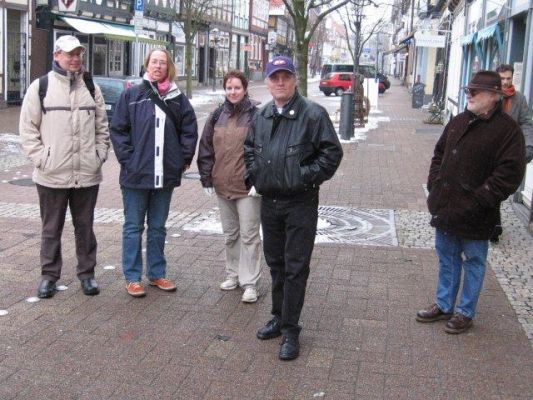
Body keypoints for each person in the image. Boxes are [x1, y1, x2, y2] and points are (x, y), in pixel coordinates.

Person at [244, 56, 343, 360]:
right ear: (268, 82)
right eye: (275, 77)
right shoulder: (260, 116)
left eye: (286, 76)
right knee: (276, 264)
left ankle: (290, 330)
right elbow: (249, 150)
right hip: (270, 202)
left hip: (300, 203)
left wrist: (303, 176)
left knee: (296, 267)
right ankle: (277, 316)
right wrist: (256, 175)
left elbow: (331, 153)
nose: (280, 82)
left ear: (295, 79)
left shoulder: (313, 114)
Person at [416, 71, 526, 334]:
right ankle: (444, 304)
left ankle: (465, 312)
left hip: (478, 212)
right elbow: (439, 153)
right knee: (447, 257)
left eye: (476, 91)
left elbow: (509, 173)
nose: (470, 95)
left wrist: (481, 198)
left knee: (474, 261)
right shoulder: (458, 121)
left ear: (493, 96)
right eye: (469, 90)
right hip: (447, 206)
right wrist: (435, 184)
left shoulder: (508, 131)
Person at [19, 35, 110, 298]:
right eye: (69, 54)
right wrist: (42, 159)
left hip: (86, 173)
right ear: (56, 55)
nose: (75, 58)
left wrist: (99, 154)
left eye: (78, 54)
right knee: (51, 229)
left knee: (85, 228)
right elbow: (27, 130)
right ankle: (49, 276)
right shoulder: (41, 87)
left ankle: (87, 275)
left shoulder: (91, 87)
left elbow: (102, 127)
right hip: (51, 174)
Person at [110, 48, 198, 298]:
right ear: (147, 65)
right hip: (135, 176)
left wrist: (181, 159)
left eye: (162, 62)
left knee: (158, 227)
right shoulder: (131, 95)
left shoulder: (178, 98)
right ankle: (132, 277)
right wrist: (129, 160)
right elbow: (118, 130)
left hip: (164, 175)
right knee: (133, 226)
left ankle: (157, 273)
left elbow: (189, 131)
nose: (158, 66)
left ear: (168, 66)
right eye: (154, 62)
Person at [197, 70, 261, 303]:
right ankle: (233, 274)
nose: (233, 92)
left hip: (247, 188)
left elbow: (262, 150)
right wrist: (206, 178)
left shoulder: (256, 115)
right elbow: (206, 148)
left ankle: (250, 282)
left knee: (249, 235)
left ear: (245, 89)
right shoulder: (216, 116)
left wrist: (259, 180)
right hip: (222, 185)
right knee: (231, 235)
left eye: (237, 87)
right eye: (229, 87)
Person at [492, 64, 533, 242]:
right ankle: (494, 223)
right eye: (502, 79)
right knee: (489, 186)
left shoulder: (519, 99)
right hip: (489, 149)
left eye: (508, 78)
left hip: (508, 151)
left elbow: (526, 123)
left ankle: (493, 220)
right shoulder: (490, 96)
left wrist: (529, 145)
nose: (506, 82)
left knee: (499, 188)